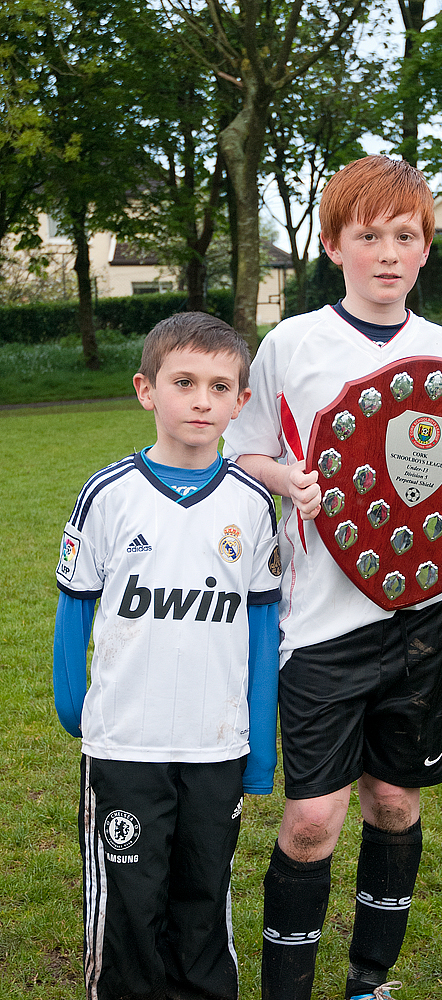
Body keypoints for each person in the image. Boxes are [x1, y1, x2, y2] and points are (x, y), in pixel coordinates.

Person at [222, 153, 442, 1000]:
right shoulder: (293, 344)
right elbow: (246, 450)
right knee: (315, 818)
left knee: (394, 801)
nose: (388, 253)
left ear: (427, 249)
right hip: (321, 621)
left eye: (406, 236)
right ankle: (289, 987)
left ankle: (370, 981)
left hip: (423, 621)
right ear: (334, 245)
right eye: (369, 236)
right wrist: (289, 478)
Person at [53, 312, 282, 1000]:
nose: (202, 400)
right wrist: (79, 715)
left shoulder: (252, 503)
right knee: (129, 904)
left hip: (216, 749)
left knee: (203, 895)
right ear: (147, 389)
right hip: (126, 746)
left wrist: (260, 750)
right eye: (184, 382)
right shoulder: (108, 496)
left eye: (220, 386)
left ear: (242, 402)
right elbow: (74, 615)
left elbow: (263, 633)